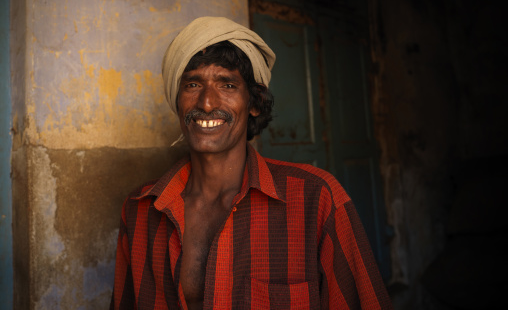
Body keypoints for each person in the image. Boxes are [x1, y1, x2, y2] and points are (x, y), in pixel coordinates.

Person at [110, 17, 392, 309]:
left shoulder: (317, 200)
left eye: (228, 85)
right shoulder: (139, 210)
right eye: (193, 84)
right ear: (177, 99)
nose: (207, 103)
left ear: (255, 103)